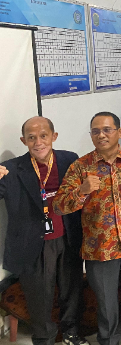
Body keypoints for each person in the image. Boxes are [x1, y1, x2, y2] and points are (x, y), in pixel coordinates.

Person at [53, 112, 121, 345]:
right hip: (99, 248)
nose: (101, 135)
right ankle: (108, 341)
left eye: (107, 130)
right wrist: (81, 191)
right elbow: (59, 206)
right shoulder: (80, 167)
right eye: (95, 131)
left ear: (119, 132)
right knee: (106, 303)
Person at [0, 117, 87, 345]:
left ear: (54, 136)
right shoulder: (11, 169)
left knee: (71, 290)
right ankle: (43, 339)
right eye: (31, 138)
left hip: (67, 237)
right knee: (40, 297)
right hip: (33, 243)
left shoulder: (69, 159)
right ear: (24, 141)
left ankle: (70, 333)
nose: (38, 142)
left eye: (43, 136)